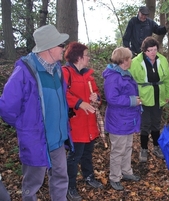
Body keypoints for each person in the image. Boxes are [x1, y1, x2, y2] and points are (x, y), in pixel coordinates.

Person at [0, 24, 71, 201]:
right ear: (49, 48)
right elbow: (6, 107)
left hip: (58, 140)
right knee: (32, 186)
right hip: (36, 142)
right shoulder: (24, 72)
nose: (64, 48)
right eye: (60, 45)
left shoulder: (58, 70)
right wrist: (27, 126)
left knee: (61, 179)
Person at [62, 42, 103, 201]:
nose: (89, 58)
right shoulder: (65, 72)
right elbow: (62, 93)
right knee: (74, 156)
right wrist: (79, 103)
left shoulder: (88, 75)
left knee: (87, 153)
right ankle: (69, 186)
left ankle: (89, 176)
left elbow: (97, 95)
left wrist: (96, 98)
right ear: (78, 57)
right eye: (86, 55)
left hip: (89, 123)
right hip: (75, 125)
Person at [102, 47, 142, 191]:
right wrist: (132, 101)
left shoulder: (124, 74)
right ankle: (115, 177)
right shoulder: (114, 77)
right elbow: (112, 98)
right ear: (124, 60)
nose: (131, 60)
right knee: (118, 150)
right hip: (118, 119)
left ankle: (126, 171)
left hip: (128, 118)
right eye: (130, 58)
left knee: (127, 147)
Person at [129, 36, 169, 162]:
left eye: (154, 50)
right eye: (149, 50)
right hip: (144, 97)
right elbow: (131, 81)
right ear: (144, 51)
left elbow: (168, 79)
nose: (152, 53)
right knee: (145, 124)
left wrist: (168, 95)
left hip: (159, 95)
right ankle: (143, 149)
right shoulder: (136, 62)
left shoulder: (162, 59)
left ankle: (157, 147)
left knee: (156, 123)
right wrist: (134, 97)